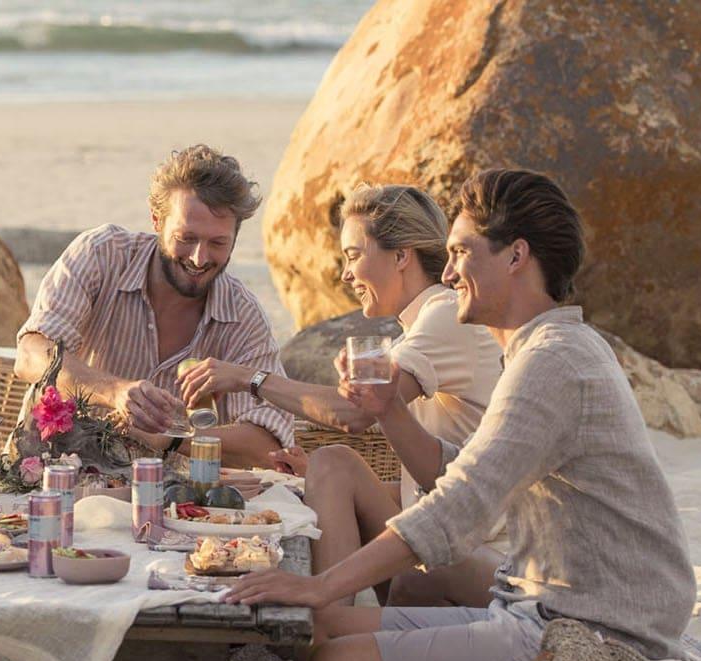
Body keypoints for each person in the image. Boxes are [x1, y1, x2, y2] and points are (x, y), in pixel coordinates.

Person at [222, 169, 696, 661]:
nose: (446, 273)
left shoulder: (553, 362)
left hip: (593, 632)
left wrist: (323, 584)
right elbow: (461, 469)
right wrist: (391, 411)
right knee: (323, 634)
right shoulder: (545, 350)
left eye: (461, 253)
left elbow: (459, 504)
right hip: (540, 603)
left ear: (516, 256)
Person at [179, 184, 504, 606]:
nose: (345, 274)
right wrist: (316, 476)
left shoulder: (443, 315)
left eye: (353, 255)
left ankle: (328, 628)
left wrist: (248, 378)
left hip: (485, 558)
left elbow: (355, 413)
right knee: (326, 468)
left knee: (336, 461)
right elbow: (430, 480)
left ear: (401, 256)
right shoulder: (425, 325)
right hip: (456, 529)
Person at [14, 145, 294, 469]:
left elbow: (268, 444)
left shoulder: (243, 317)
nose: (199, 258)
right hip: (55, 470)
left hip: (175, 501)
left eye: (217, 243)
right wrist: (115, 392)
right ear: (156, 220)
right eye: (186, 238)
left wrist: (173, 440)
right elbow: (31, 353)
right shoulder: (102, 255)